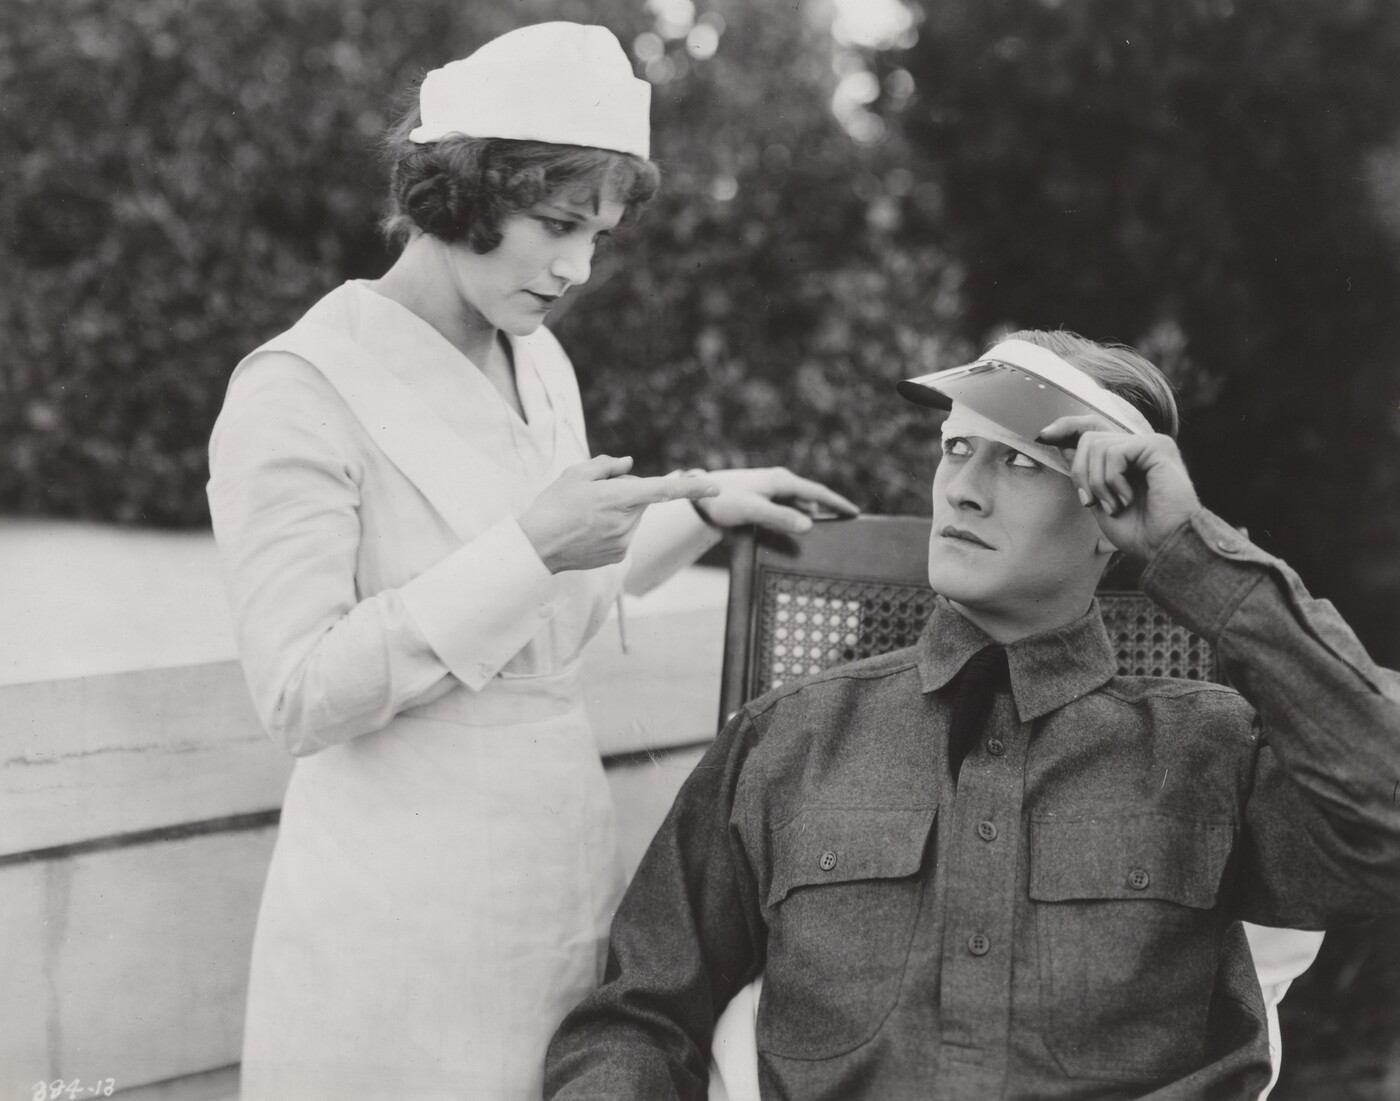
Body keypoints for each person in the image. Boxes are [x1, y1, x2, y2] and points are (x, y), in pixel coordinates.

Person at [207, 21, 856, 1101]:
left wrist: (702, 502)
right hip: (394, 913)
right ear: (460, 189)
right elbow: (299, 693)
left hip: (555, 877)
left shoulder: (538, 356)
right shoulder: (297, 387)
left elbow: (563, 592)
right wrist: (527, 548)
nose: (577, 269)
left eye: (598, 235)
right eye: (556, 225)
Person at [544, 332, 1400, 1100]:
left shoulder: (1209, 747)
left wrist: (1194, 550)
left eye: (1020, 462)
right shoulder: (787, 738)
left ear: (1112, 519)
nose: (963, 491)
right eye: (956, 448)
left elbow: (1385, 817)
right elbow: (638, 1016)